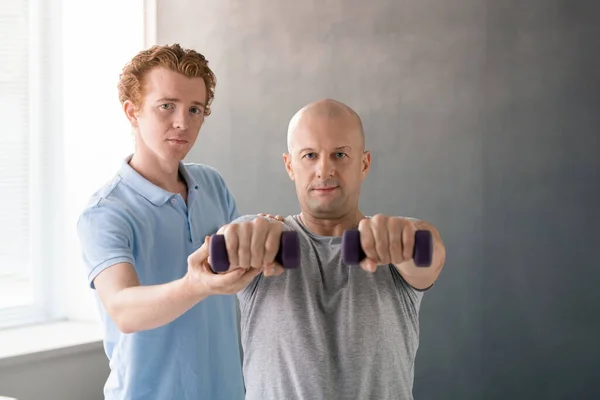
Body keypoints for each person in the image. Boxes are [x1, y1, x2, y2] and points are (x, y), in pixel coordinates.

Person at [191, 99, 447, 400]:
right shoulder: (261, 242)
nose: (324, 169)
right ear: (290, 165)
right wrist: (238, 240)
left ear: (363, 163)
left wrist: (409, 239)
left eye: (340, 154)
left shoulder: (395, 244)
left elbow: (430, 253)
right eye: (310, 155)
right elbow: (224, 252)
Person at [76, 44, 268, 400]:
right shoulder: (105, 212)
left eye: (195, 109)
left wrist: (262, 231)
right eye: (167, 106)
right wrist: (196, 285)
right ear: (131, 112)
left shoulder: (212, 184)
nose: (183, 122)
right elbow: (123, 310)